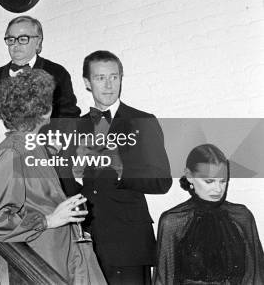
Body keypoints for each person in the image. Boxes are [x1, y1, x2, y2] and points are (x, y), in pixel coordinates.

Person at [0, 69, 106, 284]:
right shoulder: (11, 154)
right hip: (39, 261)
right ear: (44, 111)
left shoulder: (31, 147)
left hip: (59, 254)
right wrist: (48, 220)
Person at [76, 50, 172, 285]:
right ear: (87, 83)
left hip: (128, 242)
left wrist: (121, 170)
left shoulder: (143, 120)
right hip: (86, 241)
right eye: (100, 78)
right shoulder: (76, 125)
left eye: (114, 77)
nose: (109, 85)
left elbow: (162, 181)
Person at [0, 15, 81, 191]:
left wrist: (50, 149)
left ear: (38, 42)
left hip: (42, 162)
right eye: (10, 39)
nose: (15, 44)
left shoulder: (56, 72)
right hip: (2, 161)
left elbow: (69, 118)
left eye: (23, 38)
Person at [154, 144, 264, 285]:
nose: (218, 189)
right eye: (209, 181)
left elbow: (256, 276)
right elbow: (164, 279)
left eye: (223, 181)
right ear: (189, 176)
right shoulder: (173, 221)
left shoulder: (242, 216)